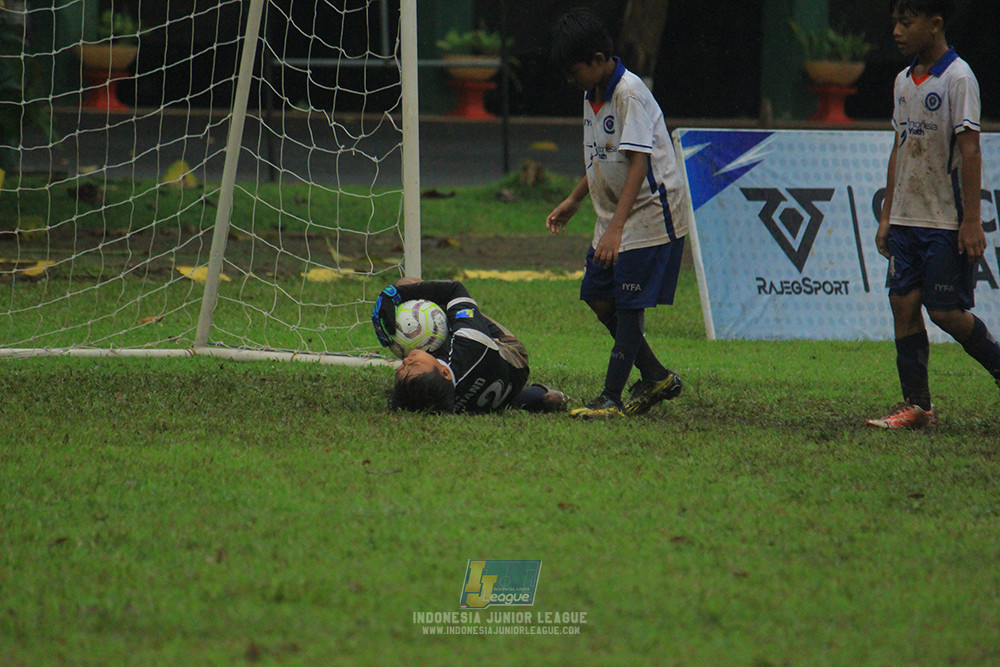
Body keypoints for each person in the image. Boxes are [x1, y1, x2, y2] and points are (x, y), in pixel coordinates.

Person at [545, 8, 688, 419]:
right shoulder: (591, 95)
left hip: (648, 214)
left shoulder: (628, 93)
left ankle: (611, 397)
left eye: (575, 70)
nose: (572, 79)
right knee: (596, 296)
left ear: (596, 59)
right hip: (614, 216)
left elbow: (639, 163)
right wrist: (575, 199)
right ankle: (657, 376)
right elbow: (603, 158)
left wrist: (617, 231)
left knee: (628, 306)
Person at [867, 0, 1000, 429]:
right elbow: (899, 147)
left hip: (945, 221)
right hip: (906, 219)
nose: (897, 31)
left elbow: (971, 149)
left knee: (945, 312)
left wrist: (972, 220)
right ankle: (917, 406)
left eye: (906, 22)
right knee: (901, 304)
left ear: (935, 24)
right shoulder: (903, 80)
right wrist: (888, 212)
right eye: (895, 22)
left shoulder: (958, 78)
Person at [372, 278, 568, 414]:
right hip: (512, 358)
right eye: (412, 365)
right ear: (445, 373)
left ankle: (529, 398)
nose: (406, 360)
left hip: (492, 387)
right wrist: (396, 294)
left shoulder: (436, 400)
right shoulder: (471, 344)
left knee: (410, 299)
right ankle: (531, 398)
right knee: (410, 286)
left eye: (402, 366)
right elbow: (454, 290)